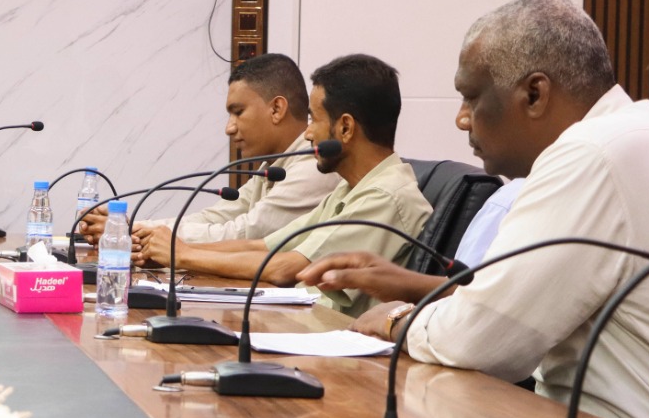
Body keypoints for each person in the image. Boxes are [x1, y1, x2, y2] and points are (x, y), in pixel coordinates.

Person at [299, 0, 649, 418]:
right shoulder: (635, 133)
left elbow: (482, 341)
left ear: (534, 94)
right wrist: (415, 287)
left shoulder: (589, 154)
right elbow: (518, 301)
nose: (462, 119)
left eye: (471, 97)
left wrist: (396, 320)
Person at [132, 53, 431, 316]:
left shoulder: (385, 195)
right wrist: (172, 250)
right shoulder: (350, 187)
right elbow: (260, 245)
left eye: (314, 120)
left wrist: (183, 255)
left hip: (336, 343)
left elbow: (285, 267)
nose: (308, 133)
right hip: (303, 323)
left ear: (345, 127)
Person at [79, 52, 337, 244]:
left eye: (238, 112)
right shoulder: (273, 166)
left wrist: (130, 232)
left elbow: (243, 234)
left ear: (276, 109)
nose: (229, 128)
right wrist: (129, 226)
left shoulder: (313, 167)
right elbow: (216, 217)